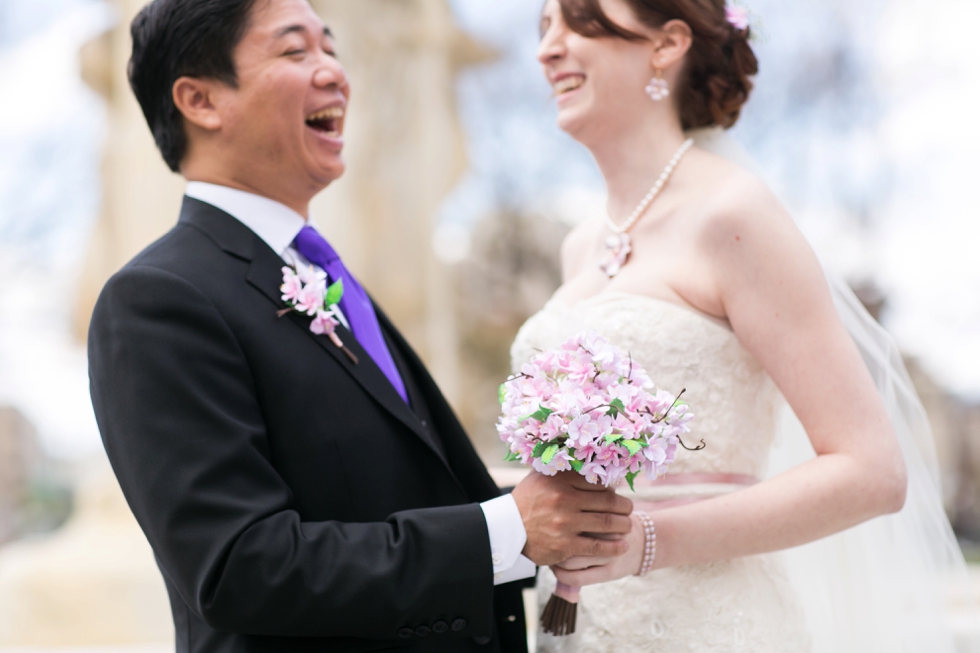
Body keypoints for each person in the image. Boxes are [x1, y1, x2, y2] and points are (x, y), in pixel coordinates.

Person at [86, 1, 638, 651]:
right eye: (295, 52)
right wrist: (504, 530)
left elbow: (392, 487)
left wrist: (556, 505)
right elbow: (242, 565)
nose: (335, 73)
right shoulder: (158, 299)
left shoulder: (320, 273)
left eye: (331, 46)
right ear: (200, 100)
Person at [515, 0, 974, 650]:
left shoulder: (732, 214)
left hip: (711, 623)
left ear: (666, 45)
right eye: (542, 29)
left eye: (579, 20)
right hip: (577, 622)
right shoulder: (577, 244)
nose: (547, 49)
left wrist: (650, 540)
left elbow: (872, 470)